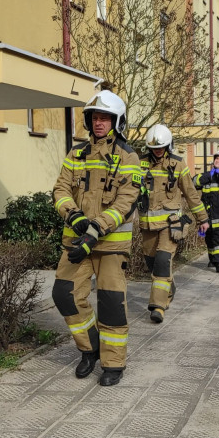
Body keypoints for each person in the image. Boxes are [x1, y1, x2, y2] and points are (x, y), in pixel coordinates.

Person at [52, 90, 142, 386]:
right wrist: (73, 215)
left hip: (110, 245)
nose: (99, 123)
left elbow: (125, 203)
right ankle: (89, 349)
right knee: (64, 294)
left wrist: (94, 232)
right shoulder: (75, 154)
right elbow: (60, 190)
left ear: (117, 122)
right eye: (94, 117)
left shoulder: (128, 157)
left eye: (105, 117)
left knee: (111, 302)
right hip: (76, 243)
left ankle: (113, 363)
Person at [137, 124, 209, 323]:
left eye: (161, 147)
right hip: (147, 226)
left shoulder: (178, 164)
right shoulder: (139, 163)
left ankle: (158, 306)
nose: (157, 151)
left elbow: (191, 194)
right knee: (152, 264)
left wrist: (202, 218)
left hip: (170, 225)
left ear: (168, 146)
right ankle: (169, 287)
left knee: (162, 262)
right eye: (153, 148)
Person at [193, 149, 219, 272]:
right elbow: (194, 182)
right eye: (216, 158)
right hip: (207, 217)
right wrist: (210, 174)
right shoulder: (208, 175)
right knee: (209, 239)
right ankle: (212, 259)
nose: (217, 160)